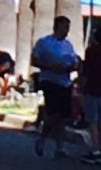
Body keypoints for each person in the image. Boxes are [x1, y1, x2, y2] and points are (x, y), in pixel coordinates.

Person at [32, 15, 81, 160]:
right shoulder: (44, 43)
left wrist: (72, 67)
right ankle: (42, 138)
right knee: (54, 112)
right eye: (64, 27)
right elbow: (34, 60)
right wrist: (50, 66)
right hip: (49, 80)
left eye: (68, 27)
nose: (66, 30)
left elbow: (74, 61)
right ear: (56, 27)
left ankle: (59, 147)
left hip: (64, 81)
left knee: (63, 116)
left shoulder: (68, 45)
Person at [80, 26, 101, 165]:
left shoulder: (91, 51)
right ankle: (99, 147)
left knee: (92, 121)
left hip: (91, 88)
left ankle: (95, 151)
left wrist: (81, 86)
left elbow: (86, 71)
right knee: (100, 121)